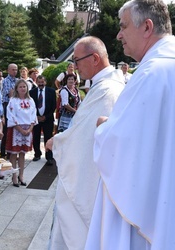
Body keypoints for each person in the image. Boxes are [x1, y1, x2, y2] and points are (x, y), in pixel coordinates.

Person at [85, 1, 175, 249]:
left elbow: (122, 147)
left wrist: (103, 127)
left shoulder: (153, 72)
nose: (119, 34)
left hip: (152, 204)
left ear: (147, 27)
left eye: (123, 26)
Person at [45, 36, 125, 250]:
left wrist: (59, 143)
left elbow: (88, 136)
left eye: (77, 60)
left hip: (93, 182)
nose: (75, 66)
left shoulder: (107, 90)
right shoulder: (104, 85)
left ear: (95, 58)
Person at [6, 79, 37, 187]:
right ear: (17, 89)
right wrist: (20, 129)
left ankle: (21, 175)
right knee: (14, 154)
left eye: (24, 86)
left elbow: (34, 115)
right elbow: (11, 115)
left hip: (28, 129)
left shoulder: (31, 100)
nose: (23, 89)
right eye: (20, 87)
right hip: (16, 129)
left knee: (23, 153)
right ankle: (14, 176)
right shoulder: (13, 100)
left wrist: (30, 128)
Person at [29, 75, 56, 165]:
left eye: (42, 82)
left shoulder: (51, 91)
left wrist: (45, 117)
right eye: (39, 82)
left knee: (48, 137)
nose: (41, 84)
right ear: (36, 82)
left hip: (47, 118)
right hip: (36, 118)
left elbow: (53, 106)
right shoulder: (31, 92)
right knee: (36, 137)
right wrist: (36, 116)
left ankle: (49, 157)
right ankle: (37, 154)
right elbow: (30, 107)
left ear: (45, 82)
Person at [1, 63, 18, 158]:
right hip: (7, 105)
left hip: (16, 106)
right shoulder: (6, 81)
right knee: (6, 129)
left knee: (14, 128)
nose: (14, 71)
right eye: (13, 69)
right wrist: (16, 93)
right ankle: (4, 152)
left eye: (16, 69)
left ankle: (12, 151)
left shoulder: (18, 80)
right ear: (8, 70)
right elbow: (10, 94)